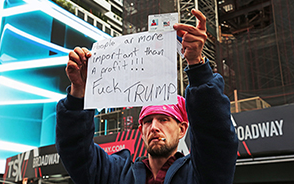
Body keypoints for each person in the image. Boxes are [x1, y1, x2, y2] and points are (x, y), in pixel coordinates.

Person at [56, 9, 238, 184]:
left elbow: (215, 133)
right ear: (141, 130)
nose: (154, 127)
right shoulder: (115, 175)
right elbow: (75, 151)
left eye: (164, 119)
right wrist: (79, 92)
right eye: (148, 121)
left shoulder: (203, 173)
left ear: (182, 129)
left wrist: (197, 66)